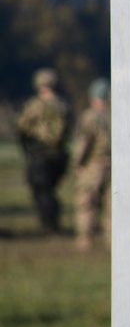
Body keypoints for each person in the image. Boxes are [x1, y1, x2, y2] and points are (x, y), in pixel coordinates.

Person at [16, 68, 72, 234]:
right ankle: (52, 222)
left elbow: (21, 126)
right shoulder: (63, 105)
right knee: (49, 190)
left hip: (40, 154)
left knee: (41, 190)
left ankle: (49, 225)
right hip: (59, 156)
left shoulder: (35, 105)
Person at [71, 77, 112, 251]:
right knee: (111, 206)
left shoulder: (89, 117)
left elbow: (84, 143)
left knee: (86, 203)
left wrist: (78, 163)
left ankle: (84, 240)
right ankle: (111, 240)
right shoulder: (114, 115)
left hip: (93, 166)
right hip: (113, 166)